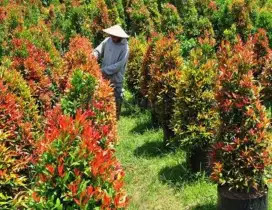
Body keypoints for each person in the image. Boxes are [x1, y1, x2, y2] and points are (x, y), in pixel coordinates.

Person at [93, 25, 129, 120]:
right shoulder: (108, 41)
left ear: (120, 36)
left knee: (117, 98)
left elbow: (119, 65)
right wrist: (95, 55)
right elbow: (98, 50)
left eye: (115, 36)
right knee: (103, 98)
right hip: (104, 77)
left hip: (116, 78)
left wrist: (104, 70)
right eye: (111, 35)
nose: (112, 37)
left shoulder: (125, 47)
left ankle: (116, 119)